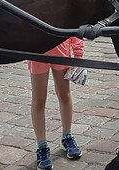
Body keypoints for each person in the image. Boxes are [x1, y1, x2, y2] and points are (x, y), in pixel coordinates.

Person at [29, 37, 85, 169]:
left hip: (61, 49)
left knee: (64, 94)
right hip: (37, 51)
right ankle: (42, 146)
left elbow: (72, 21)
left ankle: (67, 136)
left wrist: (78, 52)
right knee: (39, 99)